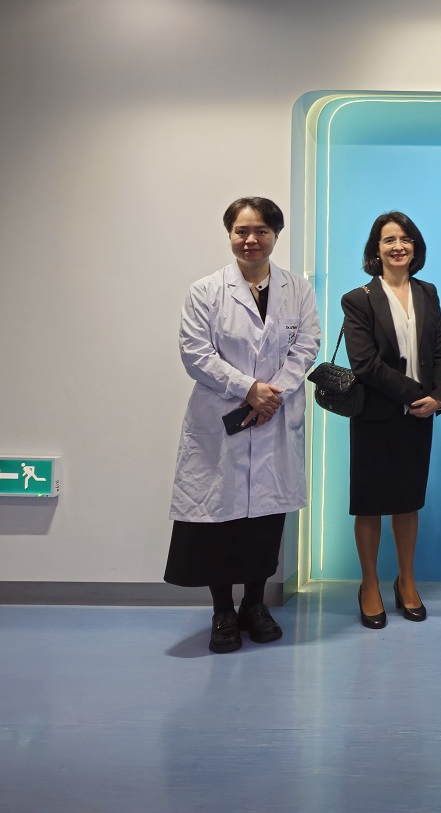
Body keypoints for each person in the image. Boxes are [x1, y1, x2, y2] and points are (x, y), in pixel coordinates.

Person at [165, 197, 319, 653]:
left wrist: (273, 394)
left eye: (261, 231)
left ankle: (255, 604)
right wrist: (249, 388)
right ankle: (222, 611)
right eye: (241, 231)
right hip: (222, 418)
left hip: (274, 417)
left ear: (276, 235)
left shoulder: (298, 290)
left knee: (263, 522)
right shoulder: (206, 291)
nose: (251, 240)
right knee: (220, 519)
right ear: (230, 234)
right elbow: (195, 353)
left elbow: (307, 345)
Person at [341, 212, 441, 629]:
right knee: (370, 504)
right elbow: (365, 364)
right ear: (376, 249)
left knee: (408, 502)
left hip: (420, 416)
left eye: (405, 239)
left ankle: (406, 581)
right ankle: (369, 584)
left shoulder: (427, 292)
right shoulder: (358, 299)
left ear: (415, 247)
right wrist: (416, 394)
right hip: (375, 415)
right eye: (389, 239)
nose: (398, 246)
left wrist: (438, 397)